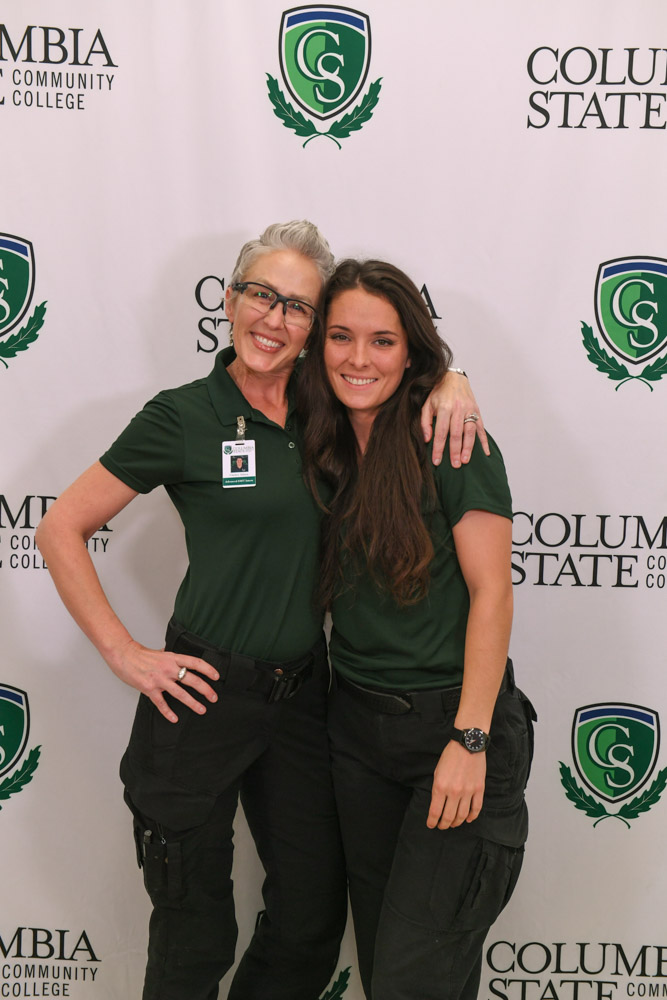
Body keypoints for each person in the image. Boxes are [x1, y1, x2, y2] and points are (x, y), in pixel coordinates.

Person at [35, 222, 487, 1000]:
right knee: (194, 928)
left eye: (298, 307)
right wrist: (123, 652)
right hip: (203, 692)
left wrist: (453, 377)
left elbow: (397, 371)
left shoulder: (331, 408)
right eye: (260, 296)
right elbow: (58, 527)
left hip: (306, 701)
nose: (274, 320)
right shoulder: (182, 416)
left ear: (315, 328)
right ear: (229, 299)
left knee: (309, 923)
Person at [300, 258, 536, 1000]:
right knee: (387, 970)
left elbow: (490, 591)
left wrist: (468, 740)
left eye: (382, 341)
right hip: (356, 732)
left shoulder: (451, 438)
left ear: (413, 352)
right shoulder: (323, 441)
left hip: (452, 725)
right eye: (341, 337)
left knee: (412, 982)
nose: (358, 359)